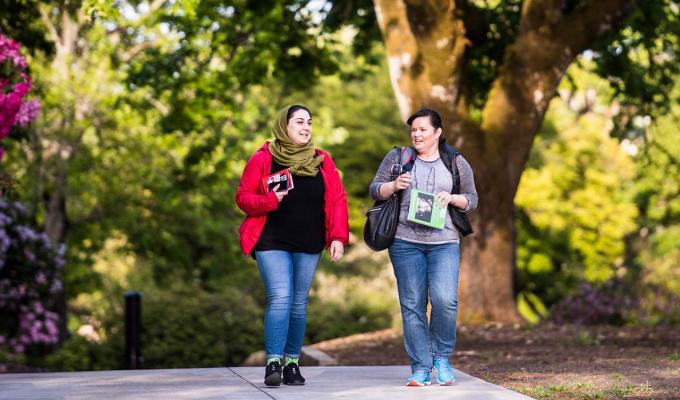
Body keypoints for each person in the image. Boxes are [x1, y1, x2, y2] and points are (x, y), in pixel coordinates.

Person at [236, 104, 349, 387]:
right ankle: (273, 362)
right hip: (271, 238)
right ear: (284, 125)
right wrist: (270, 201)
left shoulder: (322, 160)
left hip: (309, 240)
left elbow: (338, 199)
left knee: (298, 304)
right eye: (299, 122)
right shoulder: (264, 158)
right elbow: (243, 197)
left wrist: (337, 236)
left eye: (309, 122)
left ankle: (292, 364)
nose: (306, 127)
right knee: (281, 298)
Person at [369, 107, 478, 387]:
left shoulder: (455, 161)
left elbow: (472, 199)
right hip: (405, 242)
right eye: (413, 130)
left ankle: (441, 357)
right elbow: (375, 189)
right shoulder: (399, 157)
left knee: (445, 301)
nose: (416, 135)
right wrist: (393, 185)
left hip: (444, 242)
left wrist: (453, 198)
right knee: (412, 305)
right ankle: (420, 366)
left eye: (422, 130)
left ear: (437, 132)